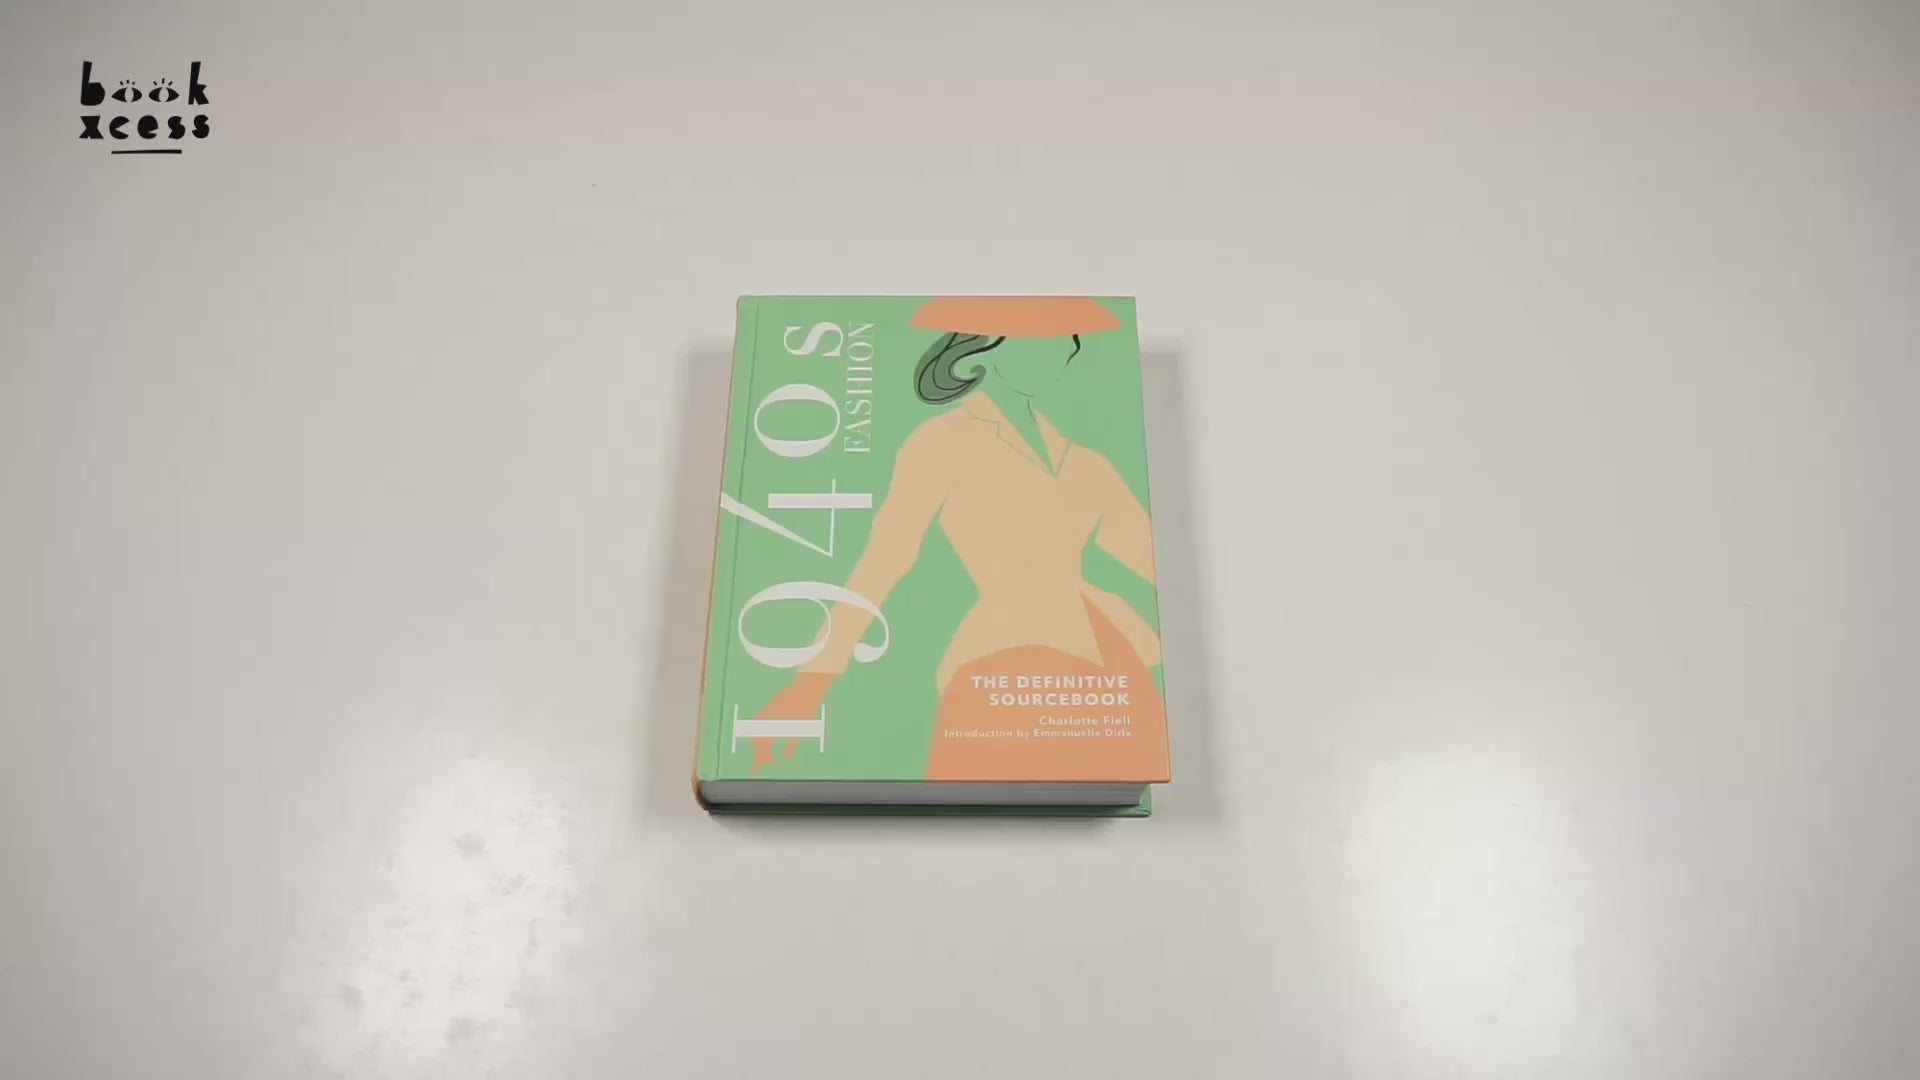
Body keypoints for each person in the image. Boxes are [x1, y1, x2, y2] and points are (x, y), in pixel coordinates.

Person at [753, 297, 1167, 781]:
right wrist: (813, 680)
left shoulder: (1084, 462)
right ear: (981, 350)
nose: (1064, 352)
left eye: (1068, 343)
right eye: (1042, 343)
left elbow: (1147, 555)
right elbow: (887, 557)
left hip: (1107, 656)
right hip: (1003, 653)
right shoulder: (942, 442)